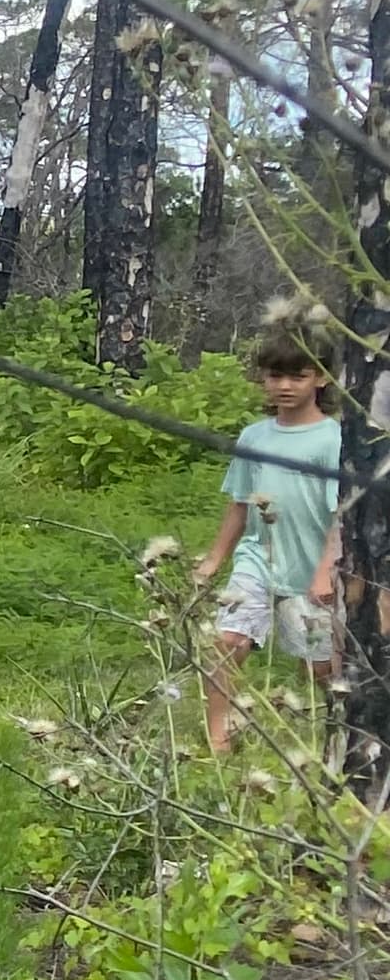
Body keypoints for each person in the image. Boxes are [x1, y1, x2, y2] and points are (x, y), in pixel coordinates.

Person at [192, 320, 345, 756]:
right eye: (275, 375)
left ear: (321, 378)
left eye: (298, 376)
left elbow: (339, 515)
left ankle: (341, 740)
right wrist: (213, 560)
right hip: (257, 559)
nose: (284, 386)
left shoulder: (332, 439)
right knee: (226, 644)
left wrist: (323, 574)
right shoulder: (254, 437)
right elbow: (239, 504)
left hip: (311, 567)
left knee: (320, 668)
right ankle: (219, 736)